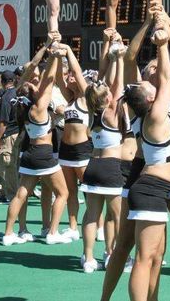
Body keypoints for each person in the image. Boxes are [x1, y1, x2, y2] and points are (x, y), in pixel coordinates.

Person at [123, 7, 170, 301]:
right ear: (149, 97)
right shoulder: (155, 114)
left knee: (155, 257)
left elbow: (167, 81)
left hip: (155, 187)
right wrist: (163, 44)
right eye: (147, 82)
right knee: (144, 257)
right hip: (151, 189)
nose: (150, 79)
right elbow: (167, 80)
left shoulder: (151, 110)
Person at [2, 45, 70, 246]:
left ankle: (8, 234)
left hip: (29, 154)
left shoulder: (21, 105)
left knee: (21, 194)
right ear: (32, 94)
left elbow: (30, 73)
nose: (35, 86)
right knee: (63, 193)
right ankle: (53, 233)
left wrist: (45, 50)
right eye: (32, 87)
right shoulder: (40, 108)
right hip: (43, 154)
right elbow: (49, 79)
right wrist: (54, 56)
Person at [80, 33, 126, 273]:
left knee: (91, 214)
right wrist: (118, 58)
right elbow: (116, 87)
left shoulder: (92, 110)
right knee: (115, 215)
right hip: (110, 167)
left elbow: (105, 86)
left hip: (92, 166)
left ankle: (88, 258)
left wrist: (111, 58)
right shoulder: (111, 112)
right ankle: (111, 255)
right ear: (107, 98)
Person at [55, 43, 93, 240]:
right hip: (65, 151)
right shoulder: (69, 98)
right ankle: (72, 227)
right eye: (68, 75)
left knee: (90, 192)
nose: (70, 77)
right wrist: (55, 55)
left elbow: (77, 72)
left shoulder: (87, 98)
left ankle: (99, 226)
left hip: (82, 150)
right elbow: (58, 80)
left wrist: (69, 51)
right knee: (70, 191)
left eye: (73, 76)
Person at [0, 70, 19, 204]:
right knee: (13, 166)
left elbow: (3, 121)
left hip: (8, 135)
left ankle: (12, 195)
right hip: (18, 134)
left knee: (8, 167)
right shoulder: (18, 94)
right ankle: (10, 193)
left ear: (2, 82)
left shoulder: (6, 97)